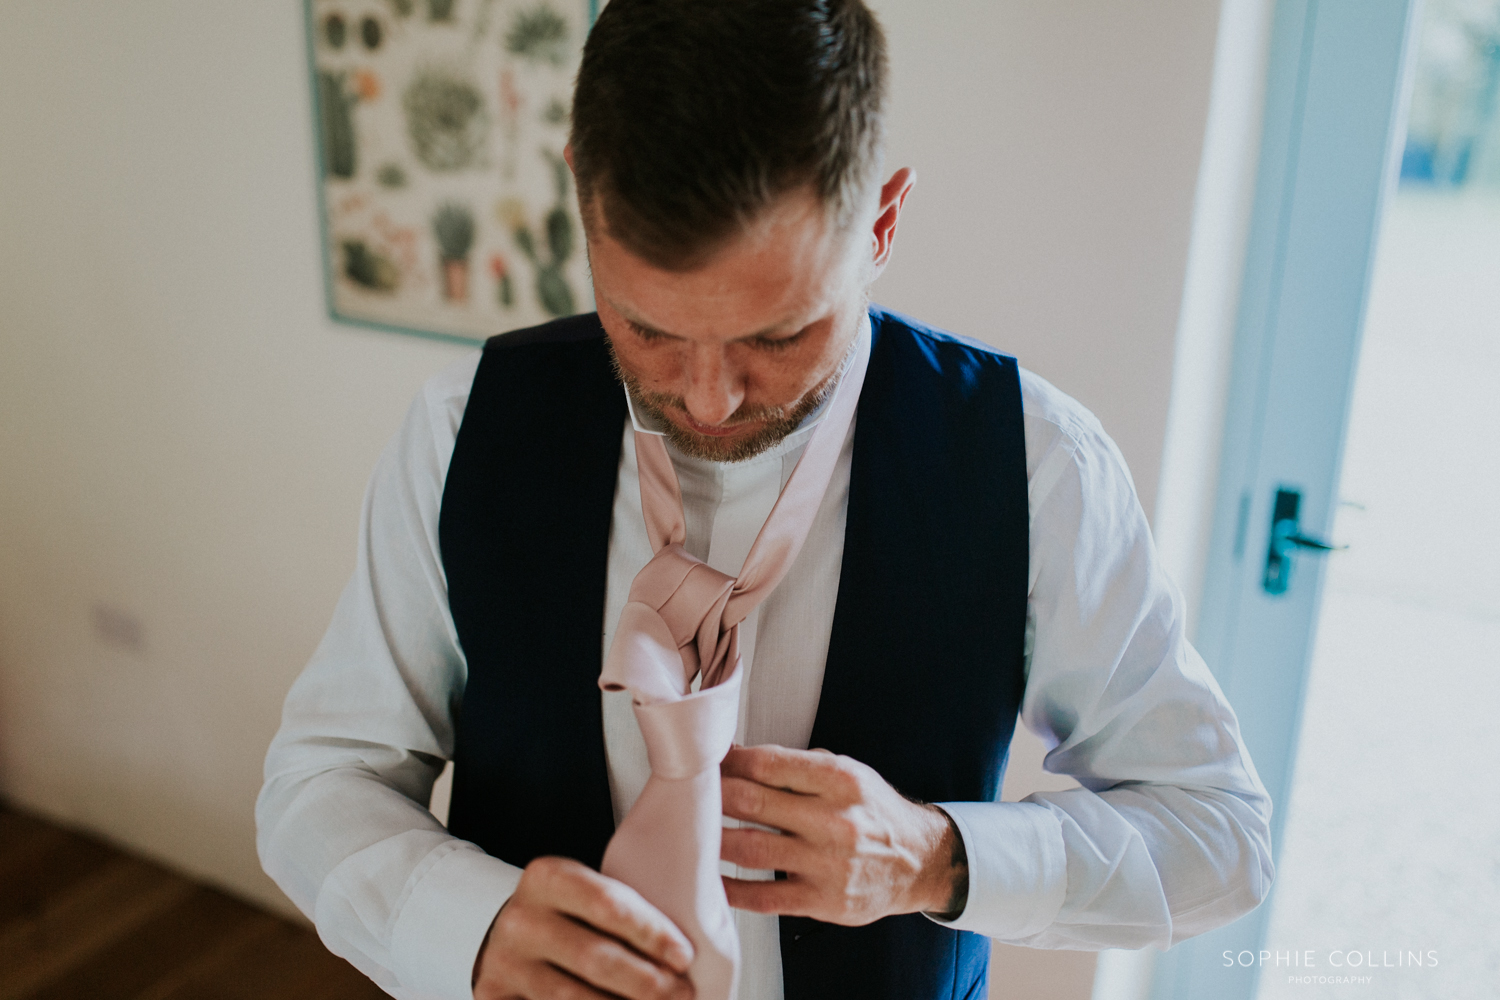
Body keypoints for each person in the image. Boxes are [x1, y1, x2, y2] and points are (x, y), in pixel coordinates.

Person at [257, 2, 1273, 998]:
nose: (708, 397)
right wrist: (462, 925)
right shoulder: (457, 431)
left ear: (881, 219)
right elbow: (320, 782)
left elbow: (1220, 835)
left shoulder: (1036, 465)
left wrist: (938, 856)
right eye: (647, 326)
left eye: (777, 336)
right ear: (582, 199)